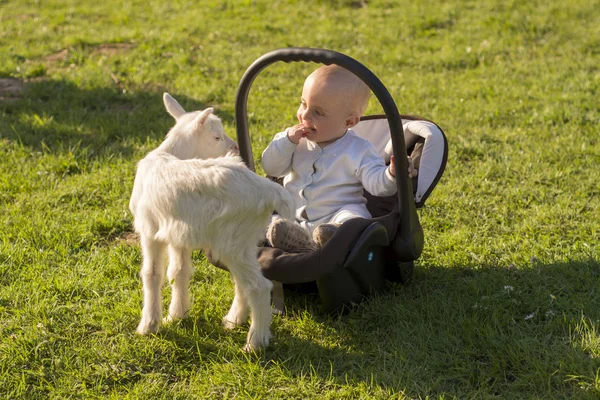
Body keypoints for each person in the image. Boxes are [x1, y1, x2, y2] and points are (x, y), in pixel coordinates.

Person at [261, 65, 417, 253]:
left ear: (349, 122)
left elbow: (377, 185)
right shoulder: (292, 141)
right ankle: (303, 245)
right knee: (272, 223)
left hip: (337, 215)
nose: (305, 115)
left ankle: (333, 240)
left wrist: (392, 173)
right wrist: (287, 142)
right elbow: (271, 168)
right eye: (303, 104)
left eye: (318, 112)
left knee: (352, 219)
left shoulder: (358, 149)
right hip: (295, 220)